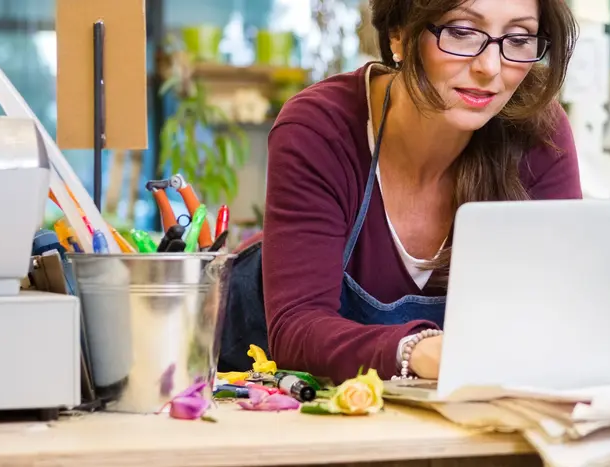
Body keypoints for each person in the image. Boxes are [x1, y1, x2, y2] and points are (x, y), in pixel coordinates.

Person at [218, 0, 579, 384]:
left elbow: (561, 315)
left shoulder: (538, 135)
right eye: (461, 32)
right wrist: (416, 351)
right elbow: (298, 328)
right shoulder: (320, 129)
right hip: (283, 399)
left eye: (519, 38)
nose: (490, 67)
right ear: (399, 35)